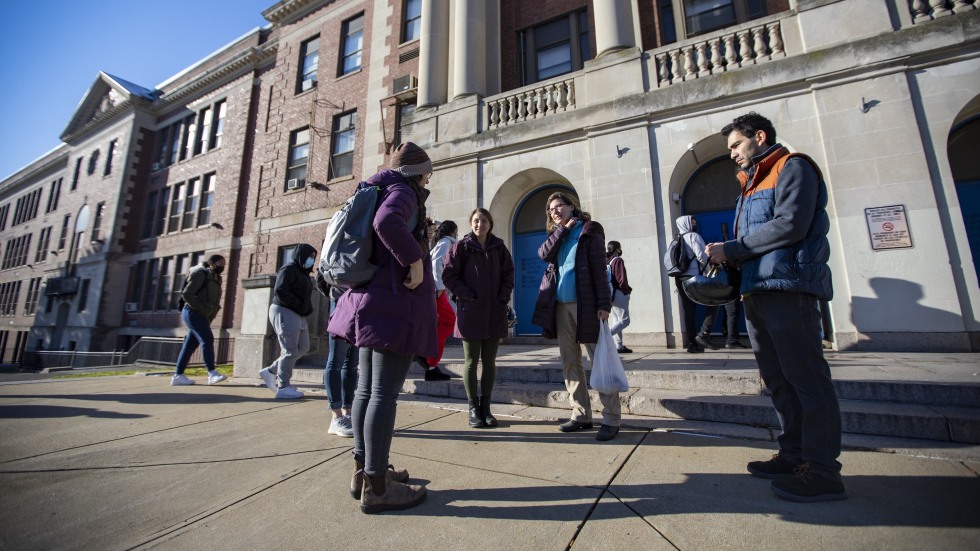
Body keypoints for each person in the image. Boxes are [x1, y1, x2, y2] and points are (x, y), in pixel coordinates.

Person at [706, 112, 843, 502]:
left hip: (789, 289)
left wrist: (730, 248)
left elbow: (791, 225)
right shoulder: (749, 184)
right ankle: (793, 455)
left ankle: (823, 471)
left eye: (736, 145)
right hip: (758, 291)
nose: (732, 153)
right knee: (779, 380)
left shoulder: (793, 166)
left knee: (808, 379)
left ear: (759, 136)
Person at [328, 142, 435, 514]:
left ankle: (365, 472)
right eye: (428, 170)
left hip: (370, 301)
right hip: (391, 305)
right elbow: (386, 222)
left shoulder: (376, 188)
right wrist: (416, 259)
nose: (429, 177)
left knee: (365, 390)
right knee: (383, 395)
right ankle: (377, 486)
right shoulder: (403, 192)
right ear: (420, 172)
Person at [532, 192, 620, 442]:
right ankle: (581, 413)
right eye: (551, 209)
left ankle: (612, 417)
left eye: (559, 206)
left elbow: (599, 268)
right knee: (570, 361)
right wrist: (561, 230)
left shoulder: (590, 229)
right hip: (560, 305)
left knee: (599, 359)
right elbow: (543, 255)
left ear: (572, 206)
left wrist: (604, 302)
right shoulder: (557, 235)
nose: (555, 211)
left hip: (587, 305)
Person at [442, 208, 515, 428]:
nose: (479, 224)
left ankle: (486, 408)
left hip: (494, 311)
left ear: (490, 224)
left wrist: (503, 297)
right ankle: (473, 408)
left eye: (483, 221)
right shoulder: (461, 247)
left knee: (490, 362)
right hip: (470, 311)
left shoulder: (499, 247)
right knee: (472, 361)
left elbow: (508, 274)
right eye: (475, 221)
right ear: (470, 223)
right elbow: (448, 275)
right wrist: (467, 295)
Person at [258, 243, 317, 400]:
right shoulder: (289, 269)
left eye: (313, 257)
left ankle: (270, 371)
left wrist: (305, 309)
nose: (311, 260)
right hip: (284, 310)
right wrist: (298, 306)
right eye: (309, 256)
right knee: (289, 350)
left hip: (298, 314)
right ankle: (283, 386)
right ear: (300, 255)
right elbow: (280, 290)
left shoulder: (303, 273)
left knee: (303, 348)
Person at [171, 254, 228, 386]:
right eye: (220, 263)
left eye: (224, 264)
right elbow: (186, 293)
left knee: (190, 345)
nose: (222, 267)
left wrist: (209, 311)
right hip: (192, 312)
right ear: (212, 263)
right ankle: (212, 373)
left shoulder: (216, 278)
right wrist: (201, 308)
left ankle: (178, 375)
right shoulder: (201, 274)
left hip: (202, 315)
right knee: (207, 339)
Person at [418, 219, 457, 381]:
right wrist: (440, 288)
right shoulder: (446, 242)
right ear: (453, 231)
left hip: (438, 290)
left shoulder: (439, 243)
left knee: (439, 326)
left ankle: (432, 368)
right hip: (438, 291)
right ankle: (422, 348)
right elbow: (436, 264)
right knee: (451, 321)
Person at [322, 283, 358, 437]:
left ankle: (347, 412)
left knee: (351, 364)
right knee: (336, 361)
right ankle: (336, 417)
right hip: (340, 303)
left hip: (359, 302)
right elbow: (322, 277)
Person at [672, 215, 711, 353]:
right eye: (692, 222)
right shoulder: (693, 236)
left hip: (679, 278)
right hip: (693, 277)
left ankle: (692, 343)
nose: (694, 224)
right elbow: (701, 256)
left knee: (688, 311)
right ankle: (704, 333)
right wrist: (710, 270)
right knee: (713, 302)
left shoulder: (676, 239)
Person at [605, 241, 633, 354]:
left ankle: (619, 345)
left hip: (611, 293)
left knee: (617, 320)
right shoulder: (618, 260)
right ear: (617, 248)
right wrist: (626, 290)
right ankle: (605, 337)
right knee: (625, 320)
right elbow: (621, 278)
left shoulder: (608, 261)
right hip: (619, 292)